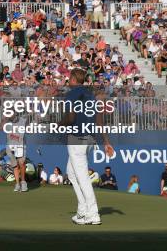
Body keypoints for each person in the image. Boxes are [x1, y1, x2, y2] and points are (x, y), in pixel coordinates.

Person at [59, 68, 114, 225]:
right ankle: (82, 212)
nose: (68, 80)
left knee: (82, 178)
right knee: (71, 173)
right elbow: (99, 121)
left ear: (74, 79)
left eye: (69, 78)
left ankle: (93, 213)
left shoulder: (72, 94)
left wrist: (58, 124)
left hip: (77, 140)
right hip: (90, 140)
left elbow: (70, 118)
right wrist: (106, 141)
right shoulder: (91, 95)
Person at [6, 113, 28, 192]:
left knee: (21, 163)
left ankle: (23, 182)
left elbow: (21, 136)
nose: (9, 115)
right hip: (10, 145)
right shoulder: (6, 122)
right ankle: (17, 184)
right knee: (14, 166)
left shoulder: (23, 120)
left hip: (21, 145)